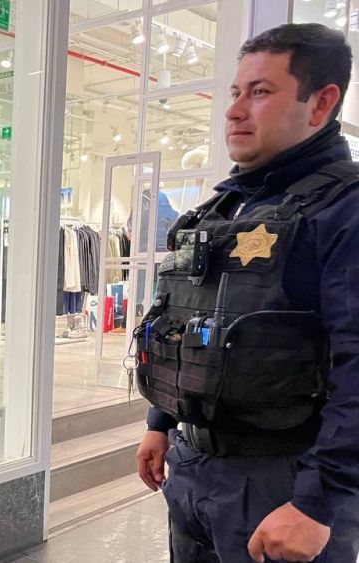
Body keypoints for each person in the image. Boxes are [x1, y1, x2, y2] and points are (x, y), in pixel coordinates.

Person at [134, 23, 359, 563]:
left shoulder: (344, 211)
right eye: (235, 93)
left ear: (321, 102)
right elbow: (185, 315)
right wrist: (162, 423)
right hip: (193, 468)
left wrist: (318, 501)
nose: (234, 111)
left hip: (284, 482)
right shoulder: (226, 209)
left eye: (260, 92)